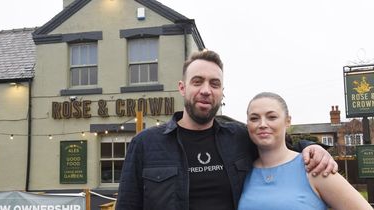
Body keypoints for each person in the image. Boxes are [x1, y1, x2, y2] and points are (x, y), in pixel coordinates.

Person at [116, 50, 338, 210]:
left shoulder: (240, 137)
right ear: (182, 88)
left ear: (222, 92)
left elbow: (284, 148)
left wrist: (314, 148)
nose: (206, 90)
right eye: (197, 81)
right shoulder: (146, 144)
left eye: (214, 84)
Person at [238, 92, 372, 210]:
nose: (262, 124)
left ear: (288, 121)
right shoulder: (241, 173)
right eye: (254, 118)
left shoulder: (315, 166)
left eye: (272, 117)